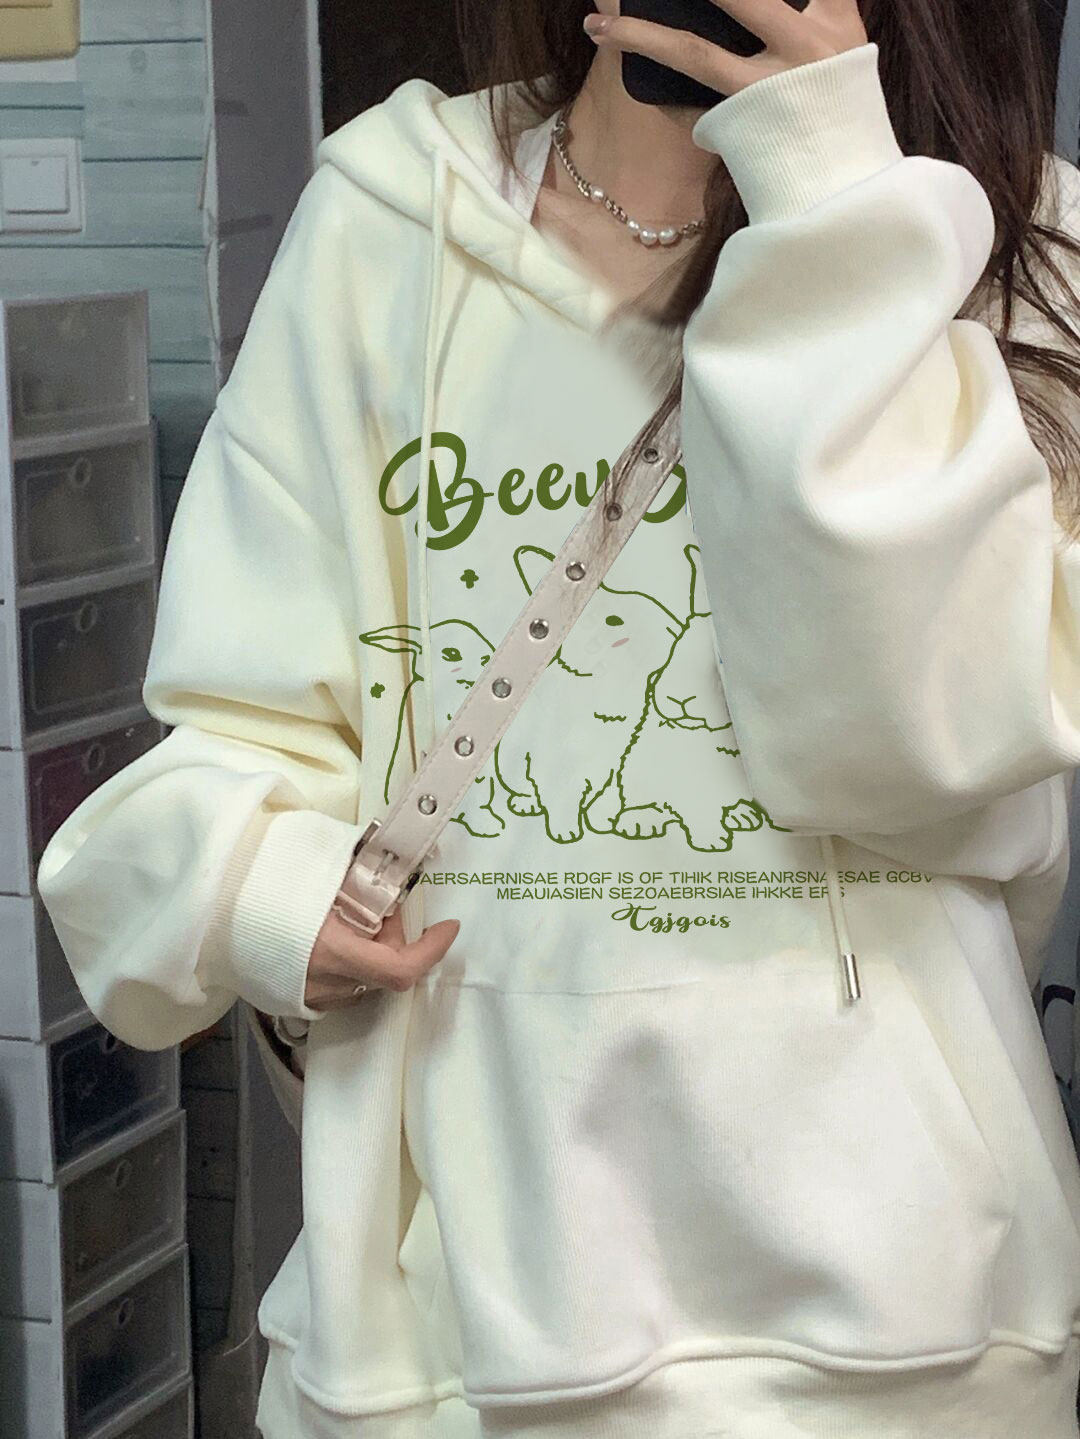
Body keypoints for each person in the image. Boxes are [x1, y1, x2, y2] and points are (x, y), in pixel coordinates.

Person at [35, 0, 1080, 1434]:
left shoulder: (1016, 242)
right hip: (453, 1336)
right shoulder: (389, 220)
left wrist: (837, 206)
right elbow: (242, 714)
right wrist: (265, 882)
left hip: (913, 1329)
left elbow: (914, 742)